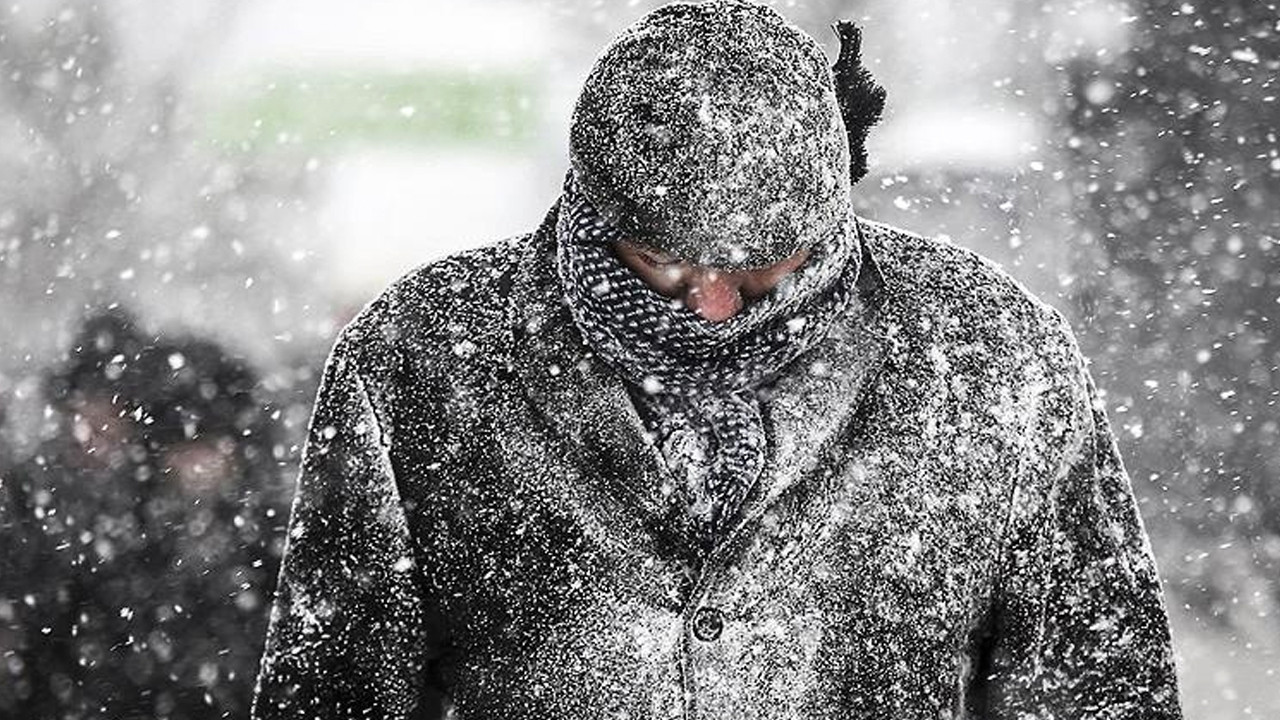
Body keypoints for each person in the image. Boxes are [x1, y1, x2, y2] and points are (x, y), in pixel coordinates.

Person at [251, 1, 1183, 718]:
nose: (713, 305)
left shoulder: (989, 357)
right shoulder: (421, 360)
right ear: (591, 209)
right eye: (662, 263)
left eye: (764, 268)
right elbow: (332, 693)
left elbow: (1097, 683)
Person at [0, 311, 285, 719]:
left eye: (210, 441)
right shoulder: (115, 533)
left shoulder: (269, 534)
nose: (197, 463)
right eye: (181, 444)